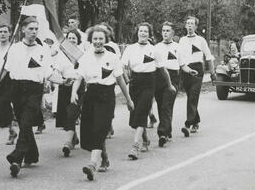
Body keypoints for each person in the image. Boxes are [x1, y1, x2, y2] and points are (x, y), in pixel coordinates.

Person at [0, 17, 60, 178]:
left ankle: (16, 159)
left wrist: (63, 81)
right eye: (31, 29)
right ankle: (32, 155)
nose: (34, 32)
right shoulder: (15, 49)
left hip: (34, 90)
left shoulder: (43, 50)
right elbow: (4, 71)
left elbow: (48, 73)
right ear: (23, 30)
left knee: (26, 122)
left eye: (36, 29)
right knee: (23, 124)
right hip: (17, 88)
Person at [73, 25, 134, 181]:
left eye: (101, 39)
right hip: (90, 94)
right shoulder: (85, 57)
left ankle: (92, 164)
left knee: (100, 128)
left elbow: (120, 79)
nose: (98, 41)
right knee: (90, 130)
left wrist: (128, 99)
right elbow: (79, 77)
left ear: (106, 40)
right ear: (91, 40)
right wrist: (74, 92)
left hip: (106, 96)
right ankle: (104, 157)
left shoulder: (112, 58)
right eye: (95, 39)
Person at [121, 22, 174, 160]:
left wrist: (170, 85)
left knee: (142, 112)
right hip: (134, 83)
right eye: (140, 31)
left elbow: (163, 70)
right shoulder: (130, 48)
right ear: (137, 33)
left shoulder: (154, 50)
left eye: (145, 31)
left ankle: (135, 146)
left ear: (149, 34)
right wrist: (127, 79)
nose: (143, 33)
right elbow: (123, 67)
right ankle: (145, 140)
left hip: (149, 83)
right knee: (136, 114)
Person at [178, 16, 215, 137]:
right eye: (187, 23)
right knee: (191, 97)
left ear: (195, 26)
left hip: (198, 70)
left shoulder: (201, 40)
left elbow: (209, 57)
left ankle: (188, 124)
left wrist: (213, 73)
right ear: (185, 26)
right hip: (186, 70)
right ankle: (196, 121)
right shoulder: (182, 40)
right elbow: (180, 57)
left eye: (192, 24)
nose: (189, 26)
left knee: (193, 97)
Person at [55, 31, 84, 158]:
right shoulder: (62, 54)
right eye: (69, 38)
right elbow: (56, 69)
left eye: (74, 38)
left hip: (78, 86)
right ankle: (74, 137)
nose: (71, 40)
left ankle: (67, 143)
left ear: (78, 40)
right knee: (65, 115)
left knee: (72, 113)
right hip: (64, 85)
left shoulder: (82, 54)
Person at [153, 22, 181, 147]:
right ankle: (167, 131)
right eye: (163, 30)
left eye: (168, 31)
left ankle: (162, 133)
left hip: (173, 77)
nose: (165, 33)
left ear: (173, 33)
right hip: (159, 77)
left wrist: (189, 71)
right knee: (161, 105)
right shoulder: (156, 47)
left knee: (167, 105)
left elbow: (182, 64)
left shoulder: (178, 47)